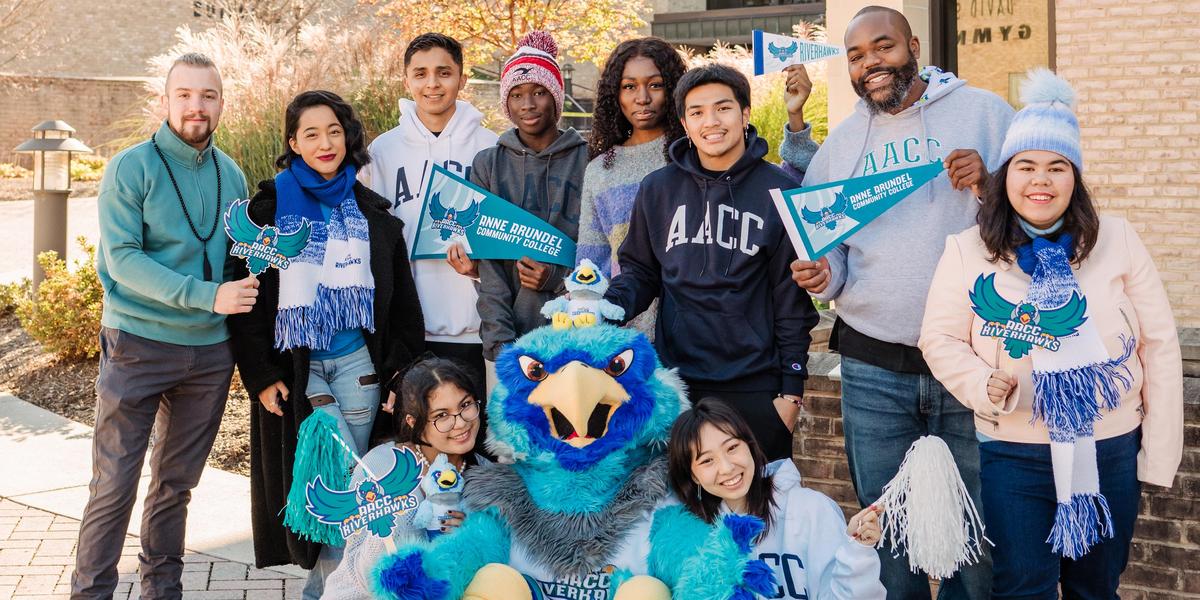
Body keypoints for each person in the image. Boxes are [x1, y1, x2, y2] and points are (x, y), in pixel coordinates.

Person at [918, 69, 1183, 599]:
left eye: (1057, 167)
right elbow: (940, 337)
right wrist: (981, 382)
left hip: (1107, 446)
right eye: (1027, 166)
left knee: (1095, 587)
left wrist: (1157, 454)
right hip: (1012, 451)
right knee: (1022, 587)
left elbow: (1160, 343)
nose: (1041, 180)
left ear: (1074, 178)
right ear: (1005, 175)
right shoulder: (968, 250)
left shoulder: (1119, 239)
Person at [785, 6, 1013, 596]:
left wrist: (992, 188)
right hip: (872, 366)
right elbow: (829, 249)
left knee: (980, 535)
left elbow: (1049, 214)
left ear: (913, 44)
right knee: (887, 533)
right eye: (856, 56)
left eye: (882, 48)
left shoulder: (987, 114)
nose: (870, 65)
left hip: (973, 364)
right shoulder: (840, 147)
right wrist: (822, 275)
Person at [225, 90, 424, 597]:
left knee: (355, 492)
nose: (325, 142)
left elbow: (402, 306)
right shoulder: (265, 212)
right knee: (324, 483)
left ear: (347, 136)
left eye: (334, 130)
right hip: (298, 370)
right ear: (293, 143)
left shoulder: (372, 213)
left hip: (359, 366)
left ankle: (330, 590)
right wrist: (261, 376)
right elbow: (244, 303)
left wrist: (398, 373)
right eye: (311, 133)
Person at [74, 52, 255, 600]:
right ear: (165, 101)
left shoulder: (233, 173)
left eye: (208, 95)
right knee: (114, 486)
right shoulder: (132, 167)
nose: (196, 106)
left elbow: (239, 259)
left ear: (221, 103)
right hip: (138, 345)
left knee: (175, 486)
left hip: (208, 357)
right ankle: (91, 593)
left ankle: (162, 591)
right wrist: (208, 296)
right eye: (185, 95)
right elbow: (123, 259)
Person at [603, 63, 818, 461]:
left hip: (757, 387)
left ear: (745, 114)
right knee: (686, 509)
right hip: (678, 384)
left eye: (723, 108)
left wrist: (791, 390)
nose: (711, 122)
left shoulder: (781, 191)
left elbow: (791, 298)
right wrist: (599, 307)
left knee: (759, 512)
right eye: (697, 112)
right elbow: (640, 273)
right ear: (684, 123)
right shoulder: (658, 189)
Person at [360, 32, 498, 389]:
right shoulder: (383, 151)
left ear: (462, 79)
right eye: (420, 73)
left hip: (476, 330)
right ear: (406, 80)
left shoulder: (491, 147)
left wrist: (479, 270)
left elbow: (504, 238)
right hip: (408, 332)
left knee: (478, 439)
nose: (432, 84)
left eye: (444, 72)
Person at [667, 398, 887, 600]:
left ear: (750, 446)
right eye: (707, 461)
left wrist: (856, 552)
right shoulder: (690, 535)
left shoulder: (812, 510)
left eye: (732, 447)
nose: (726, 468)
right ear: (693, 475)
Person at [473, 30, 588, 391]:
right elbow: (488, 265)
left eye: (539, 92)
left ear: (556, 97)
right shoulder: (488, 164)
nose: (528, 104)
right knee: (513, 447)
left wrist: (556, 278)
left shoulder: (590, 159)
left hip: (576, 336)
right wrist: (500, 345)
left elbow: (599, 251)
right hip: (509, 341)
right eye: (517, 95)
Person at [323, 357, 487, 600]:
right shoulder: (379, 467)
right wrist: (398, 523)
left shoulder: (488, 477)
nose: (461, 423)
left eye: (465, 405)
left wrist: (471, 534)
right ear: (413, 422)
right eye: (442, 415)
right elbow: (360, 569)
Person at [576, 36, 687, 336]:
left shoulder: (692, 155)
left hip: (693, 328)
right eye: (629, 86)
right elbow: (591, 262)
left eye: (655, 84)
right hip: (625, 331)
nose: (642, 98)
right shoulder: (601, 170)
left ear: (674, 89)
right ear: (616, 93)